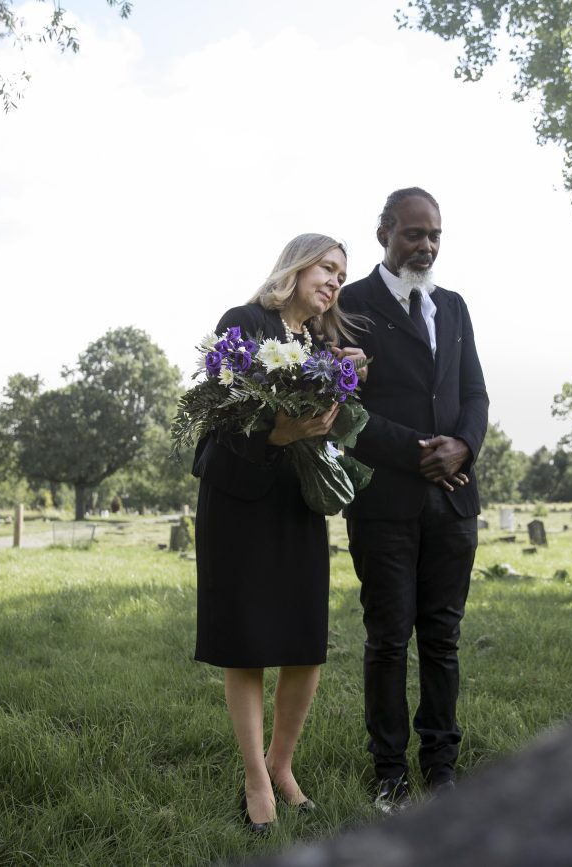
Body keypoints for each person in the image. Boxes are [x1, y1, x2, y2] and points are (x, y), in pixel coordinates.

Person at [192, 233, 366, 835]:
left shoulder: (321, 346)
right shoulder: (243, 322)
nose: (336, 282)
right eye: (328, 267)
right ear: (296, 266)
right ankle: (254, 778)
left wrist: (340, 397)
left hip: (295, 504)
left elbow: (326, 432)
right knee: (247, 645)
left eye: (342, 276)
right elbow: (219, 424)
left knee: (303, 641)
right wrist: (279, 436)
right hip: (241, 500)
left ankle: (282, 763)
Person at [335, 188, 489, 812]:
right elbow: (344, 409)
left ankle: (442, 765)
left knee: (444, 640)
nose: (424, 246)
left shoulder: (452, 307)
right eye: (412, 234)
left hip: (455, 502)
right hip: (385, 503)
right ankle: (391, 772)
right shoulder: (350, 305)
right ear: (384, 234)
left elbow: (476, 393)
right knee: (388, 639)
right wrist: (421, 451)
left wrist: (464, 449)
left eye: (434, 236)